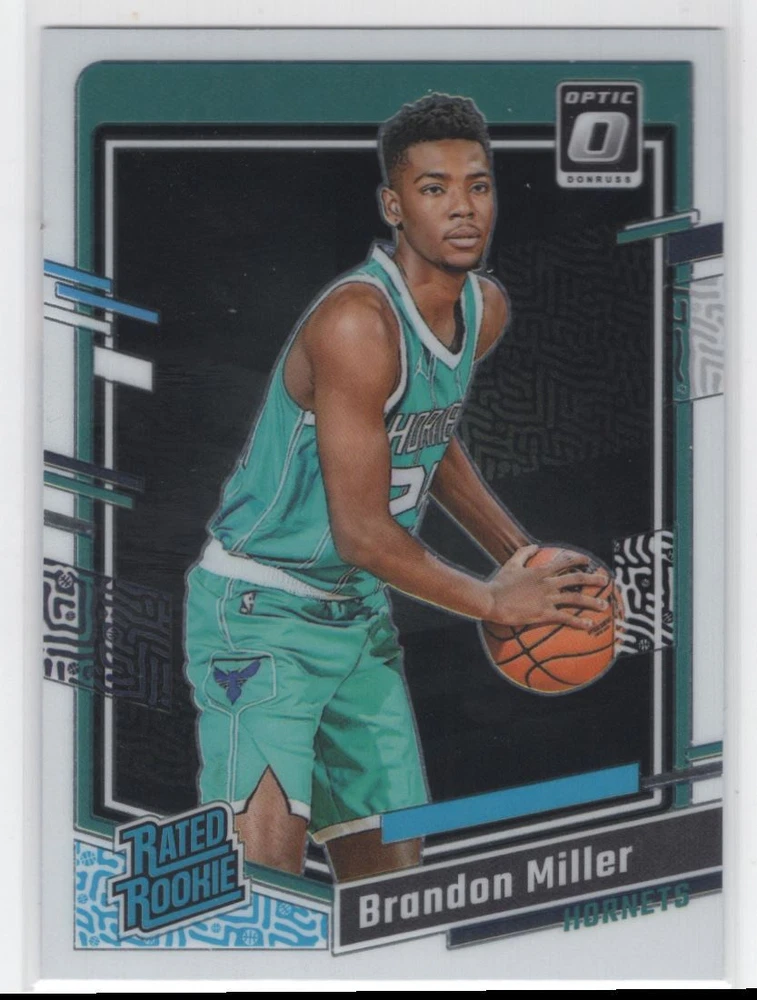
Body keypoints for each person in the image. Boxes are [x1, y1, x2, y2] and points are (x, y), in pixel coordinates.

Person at [183, 94, 608, 882]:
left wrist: (527, 558)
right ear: (393, 205)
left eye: (477, 186)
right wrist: (493, 601)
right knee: (264, 876)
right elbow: (362, 535)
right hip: (260, 610)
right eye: (433, 188)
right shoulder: (358, 324)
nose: (462, 208)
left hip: (357, 617)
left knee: (389, 891)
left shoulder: (483, 309)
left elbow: (426, 437)